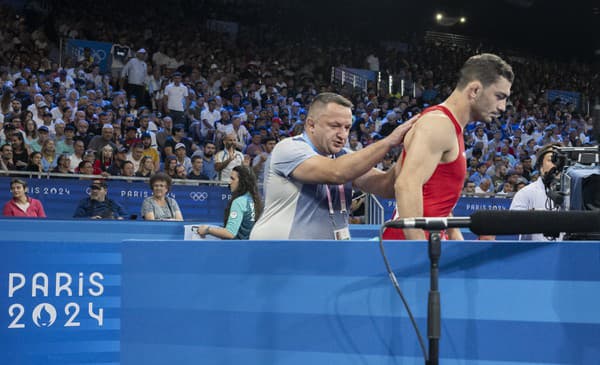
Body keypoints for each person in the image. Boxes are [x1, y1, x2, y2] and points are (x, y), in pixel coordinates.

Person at [383, 53, 514, 240]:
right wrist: (419, 249)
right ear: (475, 90)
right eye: (499, 96)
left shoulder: (451, 127)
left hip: (428, 242)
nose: (503, 107)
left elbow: (438, 200)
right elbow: (406, 185)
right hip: (411, 248)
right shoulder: (439, 124)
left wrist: (455, 238)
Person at [249, 92, 414, 240]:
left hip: (327, 254)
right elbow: (336, 172)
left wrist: (410, 149)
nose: (342, 134)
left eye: (347, 127)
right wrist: (389, 141)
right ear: (311, 125)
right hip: (279, 254)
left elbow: (387, 187)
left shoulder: (345, 156)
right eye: (334, 126)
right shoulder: (289, 148)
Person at [509, 143, 563, 241]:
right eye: (552, 160)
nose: (557, 164)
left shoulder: (575, 194)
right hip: (535, 253)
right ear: (540, 166)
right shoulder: (525, 193)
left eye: (561, 160)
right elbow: (513, 224)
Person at [196, 165, 262, 239]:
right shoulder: (253, 199)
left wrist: (207, 229)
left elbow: (230, 233)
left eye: (232, 179)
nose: (229, 182)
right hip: (250, 247)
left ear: (242, 182)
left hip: (236, 248)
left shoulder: (239, 202)